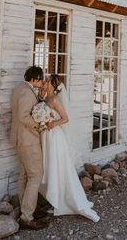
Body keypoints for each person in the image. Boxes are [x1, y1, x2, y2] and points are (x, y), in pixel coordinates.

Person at [39, 74, 100, 223]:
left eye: (46, 81)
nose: (44, 83)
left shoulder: (54, 100)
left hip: (54, 137)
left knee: (57, 167)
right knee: (49, 166)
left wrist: (53, 124)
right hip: (45, 136)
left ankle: (67, 201)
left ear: (52, 85)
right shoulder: (46, 98)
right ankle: (56, 199)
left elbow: (65, 118)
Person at [10, 65, 49, 230]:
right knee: (36, 175)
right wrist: (40, 124)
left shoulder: (20, 88)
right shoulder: (27, 92)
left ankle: (26, 209)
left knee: (24, 175)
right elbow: (24, 117)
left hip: (19, 139)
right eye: (40, 79)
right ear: (35, 79)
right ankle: (27, 217)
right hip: (27, 140)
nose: (42, 82)